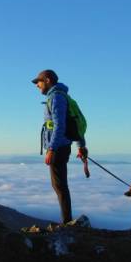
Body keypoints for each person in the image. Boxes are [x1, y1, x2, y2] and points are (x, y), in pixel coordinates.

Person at [32, 69, 88, 224]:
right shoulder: (62, 96)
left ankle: (67, 223)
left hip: (58, 148)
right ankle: (67, 221)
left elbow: (60, 126)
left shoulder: (56, 97)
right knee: (59, 185)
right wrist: (81, 146)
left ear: (48, 80)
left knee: (59, 186)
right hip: (62, 146)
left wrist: (51, 149)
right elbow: (72, 121)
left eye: (39, 82)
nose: (37, 85)